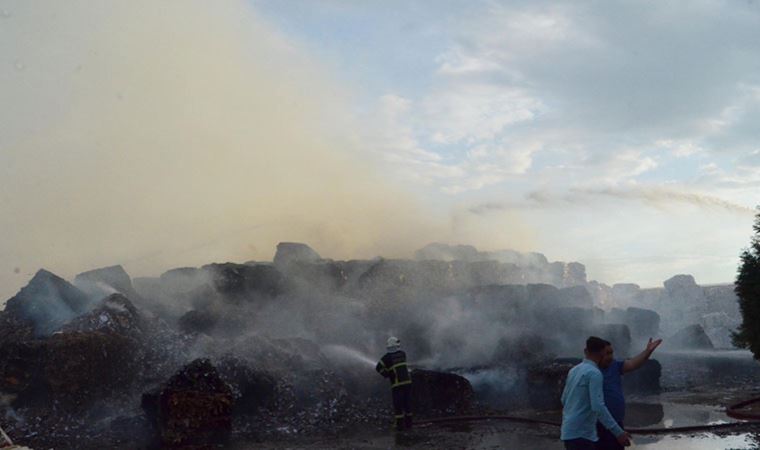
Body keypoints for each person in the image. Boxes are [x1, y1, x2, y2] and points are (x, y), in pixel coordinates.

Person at [561, 336, 632, 450]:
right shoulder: (595, 373)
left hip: (568, 432)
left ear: (586, 351)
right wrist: (618, 432)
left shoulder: (574, 370)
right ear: (603, 352)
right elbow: (598, 406)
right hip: (583, 434)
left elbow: (564, 399)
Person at [596, 337, 663, 450]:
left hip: (616, 423)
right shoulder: (591, 372)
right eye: (607, 353)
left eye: (611, 353)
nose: (610, 356)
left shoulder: (614, 366)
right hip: (598, 425)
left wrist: (648, 351)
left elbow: (633, 364)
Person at [376, 336, 413, 430]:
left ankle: (400, 426)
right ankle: (409, 425)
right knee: (407, 404)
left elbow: (378, 367)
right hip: (408, 383)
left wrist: (387, 374)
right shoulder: (403, 354)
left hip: (397, 385)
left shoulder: (386, 358)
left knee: (398, 406)